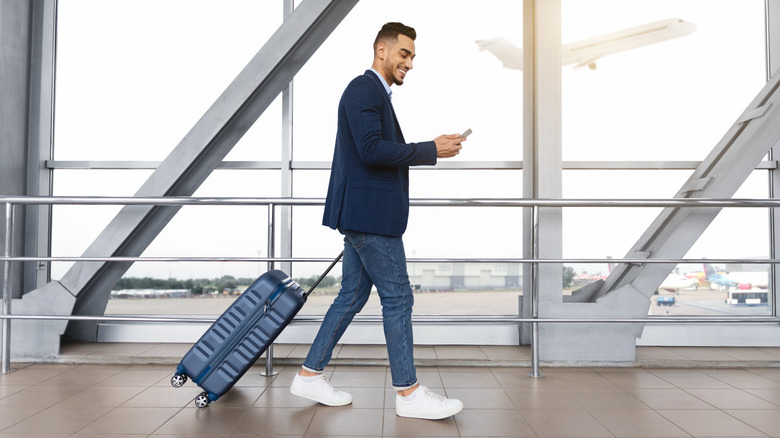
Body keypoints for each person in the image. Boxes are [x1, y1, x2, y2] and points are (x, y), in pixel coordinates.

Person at [289, 22, 466, 420]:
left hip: (363, 214)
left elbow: (373, 148)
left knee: (351, 296)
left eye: (413, 57)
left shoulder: (375, 94)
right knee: (399, 298)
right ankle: (408, 394)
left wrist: (429, 148)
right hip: (369, 217)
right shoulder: (364, 88)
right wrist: (429, 149)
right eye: (404, 54)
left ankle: (309, 375)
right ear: (381, 50)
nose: (410, 63)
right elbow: (370, 150)